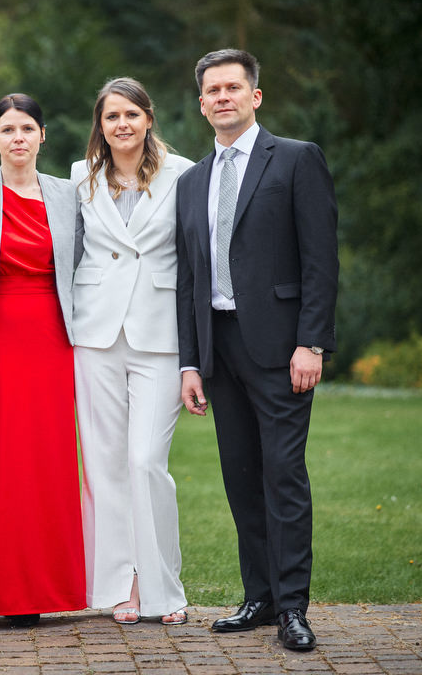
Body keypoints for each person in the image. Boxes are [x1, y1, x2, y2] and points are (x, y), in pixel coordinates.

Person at [175, 49, 338, 651]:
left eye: (233, 88)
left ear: (255, 96)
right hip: (219, 349)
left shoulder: (295, 159)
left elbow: (321, 260)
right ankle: (261, 597)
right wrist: (191, 362)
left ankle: (293, 607)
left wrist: (311, 342)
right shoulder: (192, 181)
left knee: (283, 475)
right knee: (241, 478)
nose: (223, 97)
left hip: (281, 349)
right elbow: (189, 279)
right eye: (212, 90)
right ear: (201, 104)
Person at [0, 93, 85, 626]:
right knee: (1, 462)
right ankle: (10, 595)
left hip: (52, 334)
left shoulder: (68, 193)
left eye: (27, 128)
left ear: (42, 135)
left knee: (51, 459)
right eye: (8, 129)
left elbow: (79, 266)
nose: (18, 137)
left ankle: (56, 589)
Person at [70, 77, 193, 626]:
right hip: (95, 334)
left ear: (148, 119)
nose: (122, 124)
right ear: (100, 125)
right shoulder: (80, 178)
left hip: (159, 334)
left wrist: (197, 352)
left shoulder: (183, 174)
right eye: (111, 116)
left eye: (131, 114)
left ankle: (162, 587)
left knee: (145, 461)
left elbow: (195, 258)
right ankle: (119, 586)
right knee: (104, 465)